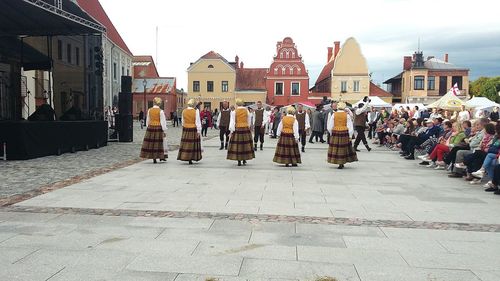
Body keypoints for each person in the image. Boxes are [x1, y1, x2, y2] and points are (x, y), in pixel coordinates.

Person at [327, 101, 357, 169]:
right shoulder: (347, 115)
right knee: (343, 148)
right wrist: (350, 136)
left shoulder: (334, 114)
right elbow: (350, 127)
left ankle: (337, 161)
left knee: (336, 148)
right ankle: (342, 162)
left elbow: (329, 126)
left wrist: (331, 133)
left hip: (335, 132)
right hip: (344, 132)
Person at [227, 98, 255, 166]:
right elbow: (248, 120)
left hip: (237, 128)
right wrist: (248, 127)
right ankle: (244, 159)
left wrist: (231, 131)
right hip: (245, 128)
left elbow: (232, 122)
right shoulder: (247, 111)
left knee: (238, 145)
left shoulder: (234, 112)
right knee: (245, 144)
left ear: (237, 104)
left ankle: (239, 160)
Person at [140, 97, 167, 163]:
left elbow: (148, 120)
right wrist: (164, 130)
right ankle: (161, 156)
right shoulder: (161, 111)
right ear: (160, 104)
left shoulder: (150, 110)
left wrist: (148, 126)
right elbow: (163, 122)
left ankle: (153, 157)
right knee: (159, 143)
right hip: (158, 127)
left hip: (151, 127)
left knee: (151, 143)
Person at [177, 99, 202, 164]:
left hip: (186, 128)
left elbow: (182, 121)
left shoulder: (184, 111)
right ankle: (192, 157)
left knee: (185, 143)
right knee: (192, 144)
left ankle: (185, 156)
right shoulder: (195, 111)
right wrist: (198, 131)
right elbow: (197, 121)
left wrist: (185, 126)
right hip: (193, 128)